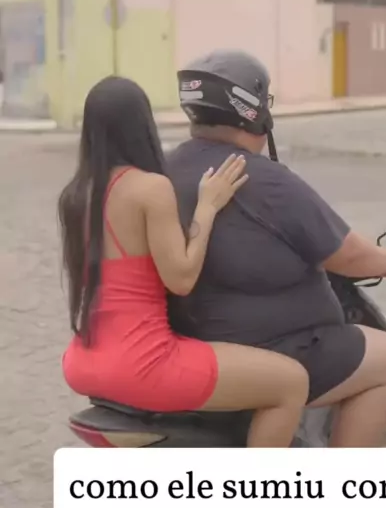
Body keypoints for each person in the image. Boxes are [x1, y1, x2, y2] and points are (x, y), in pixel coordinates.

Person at [167, 50, 386, 448]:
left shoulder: (166, 168)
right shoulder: (262, 178)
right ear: (253, 111)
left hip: (192, 339)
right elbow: (349, 255)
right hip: (271, 348)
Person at [58, 76, 309, 448]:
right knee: (291, 382)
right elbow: (181, 278)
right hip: (144, 363)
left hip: (84, 361)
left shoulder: (76, 195)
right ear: (143, 124)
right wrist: (208, 206)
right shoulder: (150, 188)